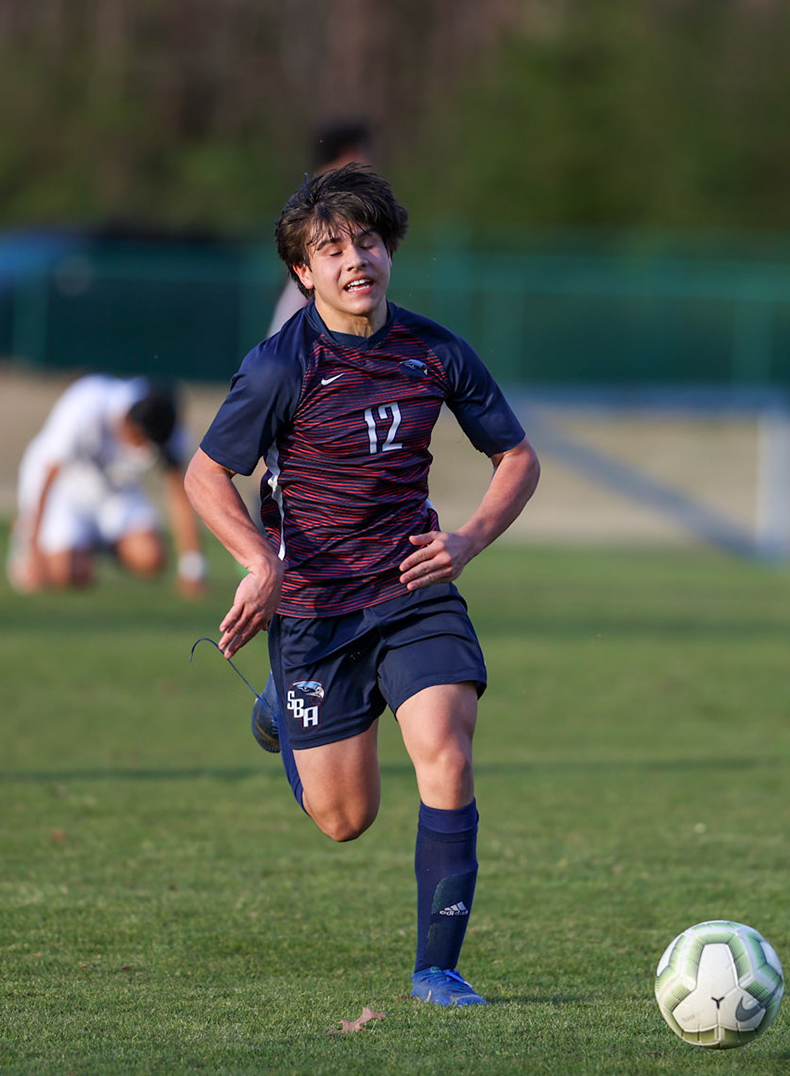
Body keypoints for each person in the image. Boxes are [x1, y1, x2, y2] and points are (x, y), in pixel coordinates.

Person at [184, 164, 540, 1006]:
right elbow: (207, 476)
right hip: (312, 611)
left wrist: (469, 539)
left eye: (369, 242)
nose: (356, 261)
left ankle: (437, 969)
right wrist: (260, 562)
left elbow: (517, 457)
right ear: (303, 273)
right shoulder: (280, 368)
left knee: (447, 754)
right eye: (332, 249)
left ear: (389, 251)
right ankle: (282, 704)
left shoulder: (434, 349)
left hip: (413, 586)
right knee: (345, 820)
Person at [9, 376, 206, 597]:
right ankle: (66, 545)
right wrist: (31, 549)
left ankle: (89, 544)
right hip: (68, 489)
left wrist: (193, 567)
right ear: (127, 422)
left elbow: (179, 492)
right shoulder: (86, 404)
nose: (145, 450)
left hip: (115, 493)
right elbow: (47, 475)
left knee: (151, 558)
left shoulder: (167, 429)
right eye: (141, 440)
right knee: (65, 573)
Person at [267, 120, 373, 337]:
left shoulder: (335, 199)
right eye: (359, 155)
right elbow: (292, 303)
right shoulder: (315, 205)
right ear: (347, 154)